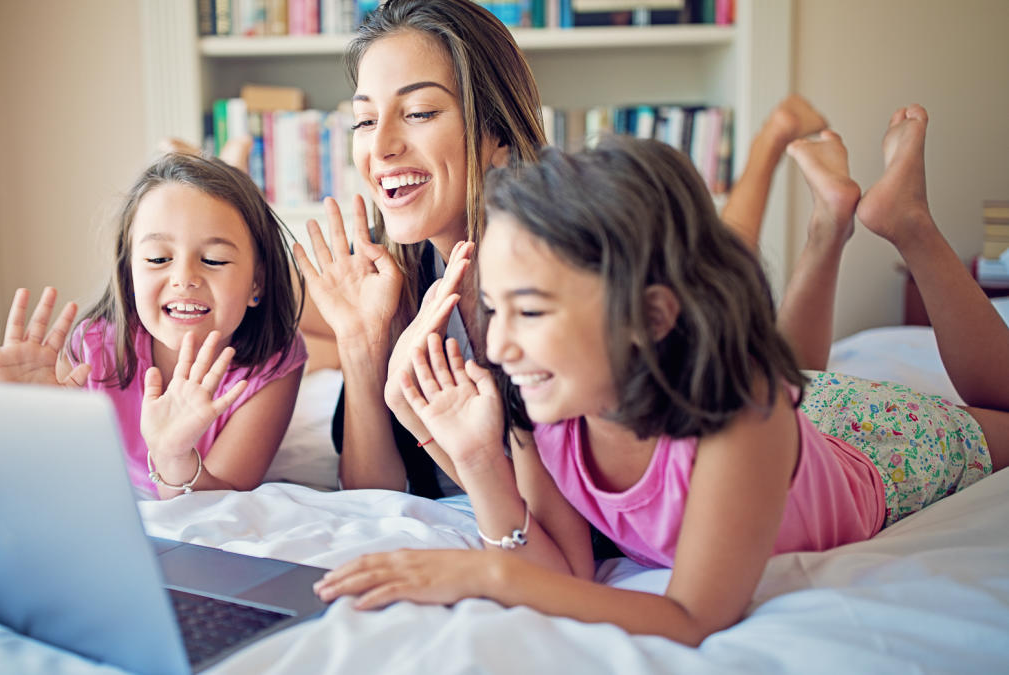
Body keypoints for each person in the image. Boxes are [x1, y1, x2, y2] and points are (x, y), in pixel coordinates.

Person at [311, 111, 1007, 645]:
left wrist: (488, 574)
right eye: (493, 308)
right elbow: (568, 574)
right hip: (772, 411)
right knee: (776, 358)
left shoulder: (746, 419)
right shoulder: (543, 401)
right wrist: (463, 452)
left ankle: (907, 223)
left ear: (648, 315)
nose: (499, 342)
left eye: (529, 309)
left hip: (868, 446)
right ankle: (833, 220)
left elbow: (691, 615)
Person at [295, 0, 829, 499]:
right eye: (365, 119)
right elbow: (372, 501)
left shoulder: (568, 260)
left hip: (791, 437)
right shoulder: (391, 285)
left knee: (759, 353)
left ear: (497, 134)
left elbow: (549, 510)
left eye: (419, 113)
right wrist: (361, 351)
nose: (381, 146)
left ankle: (818, 211)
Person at [0, 152, 307, 497]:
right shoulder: (93, 348)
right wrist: (25, 421)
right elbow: (49, 486)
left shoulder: (274, 364)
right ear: (129, 272)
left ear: (256, 283)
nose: (184, 278)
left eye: (213, 260)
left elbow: (217, 508)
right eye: (159, 258)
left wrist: (173, 456)